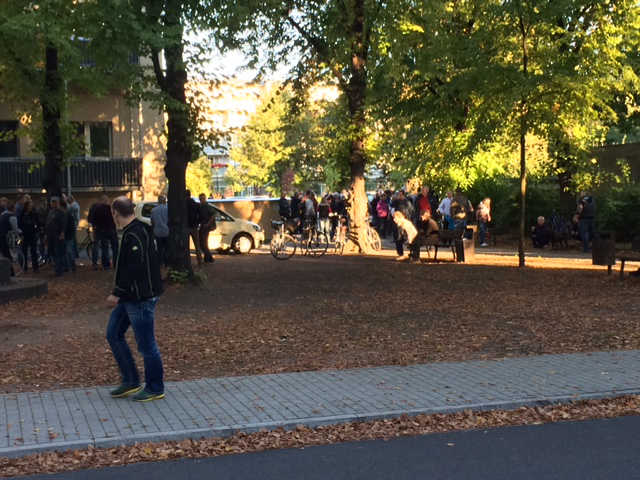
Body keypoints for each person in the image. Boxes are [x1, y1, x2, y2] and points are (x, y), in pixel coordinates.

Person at [106, 196, 165, 402]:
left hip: (140, 298)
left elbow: (135, 267)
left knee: (146, 344)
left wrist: (118, 292)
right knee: (113, 333)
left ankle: (155, 387)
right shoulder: (137, 230)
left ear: (115, 213)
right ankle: (131, 380)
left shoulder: (135, 234)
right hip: (132, 297)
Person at [88, 195, 118, 269]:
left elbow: (92, 219)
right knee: (115, 247)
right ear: (106, 201)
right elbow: (115, 218)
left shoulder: (96, 208)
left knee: (104, 247)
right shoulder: (110, 208)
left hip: (100, 230)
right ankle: (115, 263)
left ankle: (105, 264)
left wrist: (95, 226)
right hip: (111, 229)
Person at [45, 197, 67, 277]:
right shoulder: (50, 212)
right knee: (53, 253)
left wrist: (62, 233)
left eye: (55, 202)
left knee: (58, 253)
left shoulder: (61, 212)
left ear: (58, 203)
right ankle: (57, 268)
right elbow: (47, 223)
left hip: (57, 235)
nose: (53, 204)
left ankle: (59, 270)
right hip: (50, 235)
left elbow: (63, 224)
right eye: (52, 202)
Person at [18, 199, 39, 272]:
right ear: (26, 206)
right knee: (24, 252)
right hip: (25, 235)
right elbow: (19, 224)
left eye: (31, 205)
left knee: (34, 251)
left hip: (32, 234)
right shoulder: (22, 214)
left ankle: (35, 267)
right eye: (30, 205)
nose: (31, 207)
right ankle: (25, 267)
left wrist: (36, 230)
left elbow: (37, 222)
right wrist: (21, 234)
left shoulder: (33, 213)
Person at [0, 201, 19, 276]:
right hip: (6, 237)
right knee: (9, 255)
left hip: (1, 236)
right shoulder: (12, 216)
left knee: (4, 255)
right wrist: (20, 232)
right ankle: (11, 273)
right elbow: (15, 229)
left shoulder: (2, 214)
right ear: (13, 208)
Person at [150, 195, 169, 266]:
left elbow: (152, 221)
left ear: (158, 201)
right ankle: (167, 263)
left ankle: (160, 263)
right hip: (167, 231)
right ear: (164, 201)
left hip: (158, 232)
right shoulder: (168, 209)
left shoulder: (153, 210)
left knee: (159, 248)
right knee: (167, 248)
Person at [186, 190, 202, 265]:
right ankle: (199, 260)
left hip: (186, 227)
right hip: (194, 226)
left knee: (185, 246)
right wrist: (198, 222)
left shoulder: (183, 205)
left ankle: (187, 262)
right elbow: (200, 215)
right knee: (197, 245)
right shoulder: (196, 204)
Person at [198, 193, 215, 263]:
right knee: (203, 243)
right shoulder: (202, 206)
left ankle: (209, 258)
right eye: (201, 199)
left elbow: (213, 215)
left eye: (202, 199)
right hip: (203, 226)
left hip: (205, 226)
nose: (202, 200)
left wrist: (208, 224)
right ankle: (208, 258)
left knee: (203, 243)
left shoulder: (206, 206)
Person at [62, 199, 77, 273]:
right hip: (68, 235)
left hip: (68, 235)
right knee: (68, 251)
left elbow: (69, 226)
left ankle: (70, 266)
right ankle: (69, 266)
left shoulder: (67, 215)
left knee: (68, 251)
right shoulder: (68, 214)